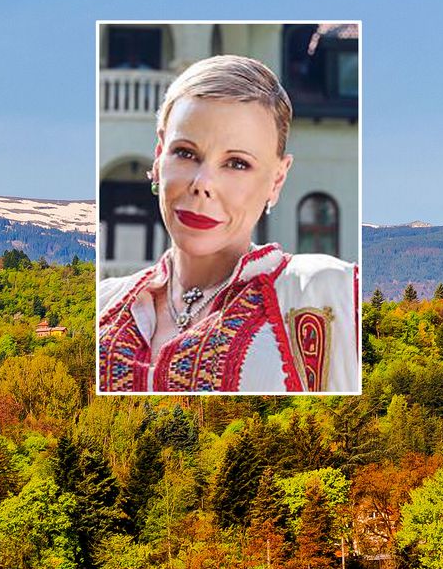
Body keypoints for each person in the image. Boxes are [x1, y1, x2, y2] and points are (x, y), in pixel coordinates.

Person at [98, 54, 358, 394]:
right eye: (186, 153)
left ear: (276, 180)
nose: (203, 183)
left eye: (237, 163)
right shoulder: (106, 304)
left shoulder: (326, 290)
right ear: (159, 156)